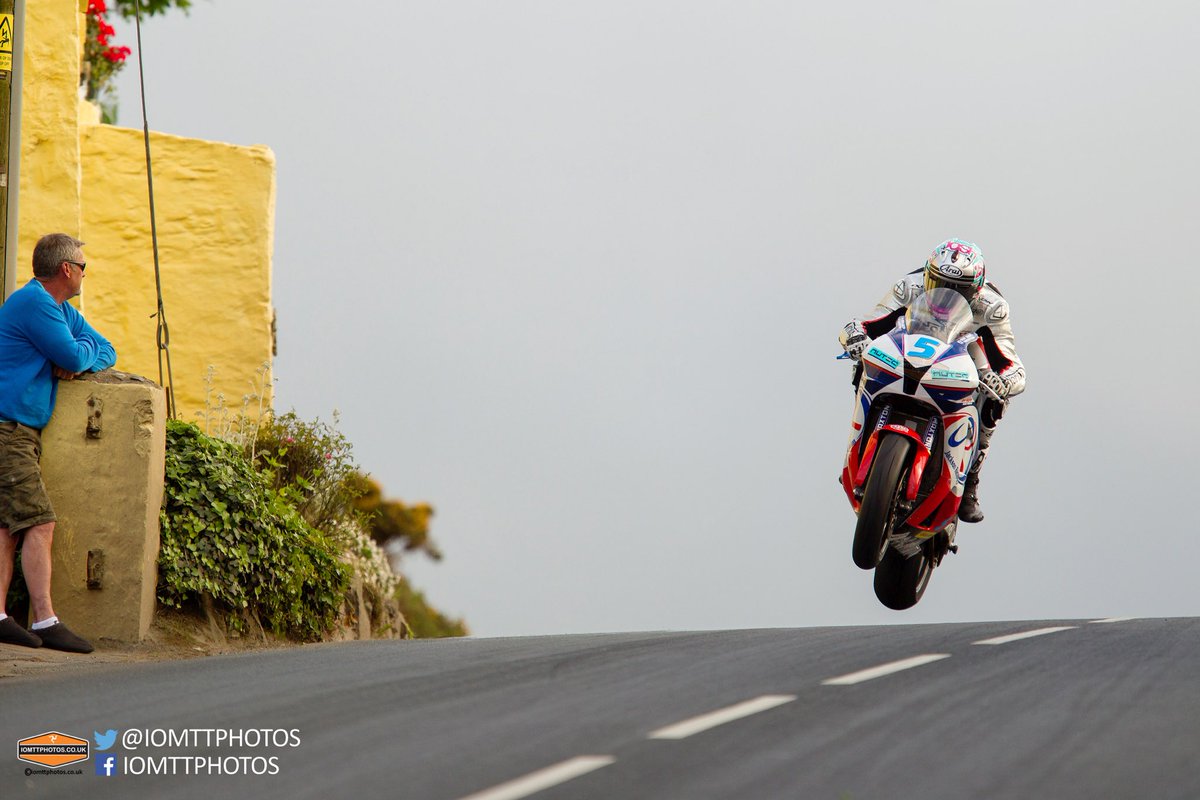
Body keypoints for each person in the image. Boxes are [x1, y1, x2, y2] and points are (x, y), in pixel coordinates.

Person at [838, 238, 1025, 523]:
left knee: (994, 401)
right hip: (907, 351)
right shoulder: (909, 287)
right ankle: (858, 445)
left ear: (975, 289)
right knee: (863, 364)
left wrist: (1004, 380)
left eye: (959, 289)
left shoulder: (992, 308)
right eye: (938, 283)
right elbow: (874, 322)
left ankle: (971, 476)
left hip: (961, 361)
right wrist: (856, 337)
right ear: (928, 275)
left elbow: (1008, 360)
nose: (947, 293)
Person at [0, 233, 117, 652]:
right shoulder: (36, 305)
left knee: (6, 528)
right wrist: (69, 357)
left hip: (19, 428)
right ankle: (46, 620)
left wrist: (76, 353)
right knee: (39, 521)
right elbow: (70, 358)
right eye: (83, 265)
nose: (86, 272)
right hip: (8, 429)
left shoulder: (60, 311)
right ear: (66, 269)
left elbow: (106, 350)